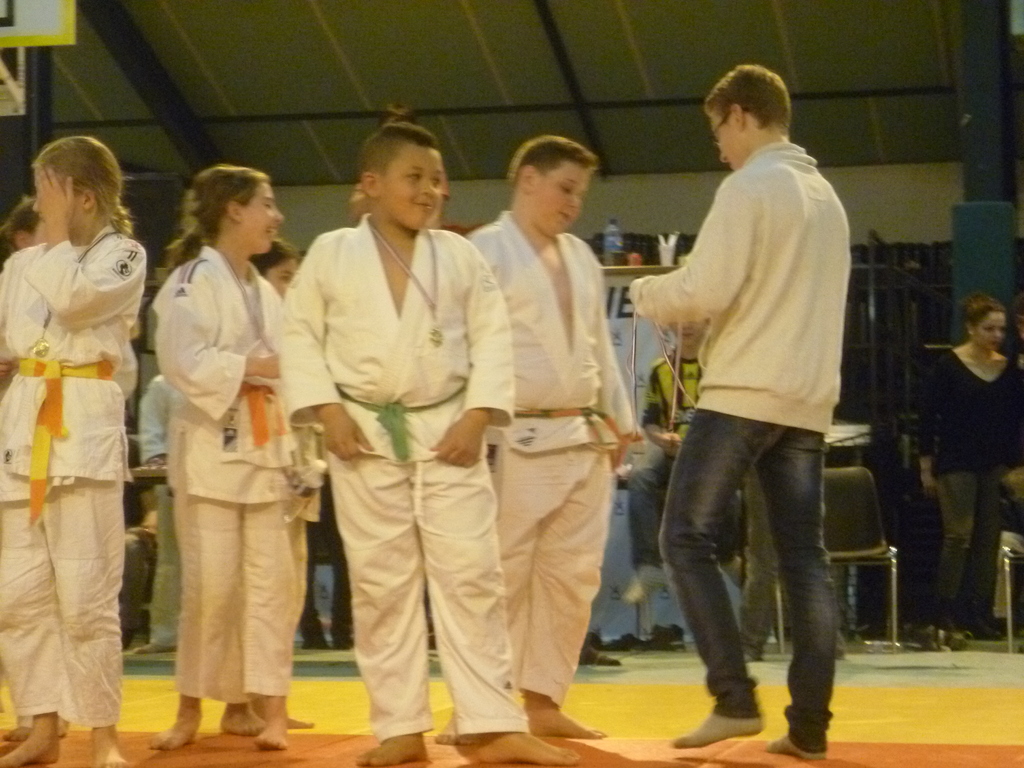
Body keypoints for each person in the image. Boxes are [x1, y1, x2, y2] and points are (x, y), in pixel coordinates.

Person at [280, 121, 578, 767]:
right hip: (363, 434)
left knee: (473, 576)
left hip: (448, 430)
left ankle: (490, 725)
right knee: (381, 584)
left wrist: (478, 416)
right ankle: (400, 726)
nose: (429, 190)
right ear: (371, 183)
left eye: (436, 179)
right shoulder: (332, 252)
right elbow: (298, 335)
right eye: (413, 177)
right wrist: (327, 411)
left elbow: (493, 337)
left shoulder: (460, 256)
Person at [629, 64, 851, 761]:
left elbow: (705, 290)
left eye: (718, 131)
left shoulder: (749, 187)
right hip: (807, 400)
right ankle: (809, 729)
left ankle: (732, 698)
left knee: (683, 538)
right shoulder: (828, 198)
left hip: (745, 392)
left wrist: (645, 291)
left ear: (740, 115)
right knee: (804, 560)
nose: (719, 147)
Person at [466, 135, 634, 740]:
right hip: (513, 434)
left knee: (572, 577)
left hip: (582, 433)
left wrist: (620, 420)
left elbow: (600, 347)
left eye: (580, 194)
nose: (573, 204)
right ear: (528, 180)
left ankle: (543, 701)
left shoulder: (581, 256)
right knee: (500, 575)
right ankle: (481, 707)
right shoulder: (483, 250)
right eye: (565, 188)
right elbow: (464, 350)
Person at [0, 136, 146, 768]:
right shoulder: (20, 267)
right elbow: (13, 339)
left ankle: (103, 736)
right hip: (20, 429)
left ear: (83, 196)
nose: (37, 204)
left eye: (47, 191)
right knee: (18, 596)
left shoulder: (124, 255)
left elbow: (76, 302)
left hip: (81, 429)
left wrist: (56, 236)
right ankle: (41, 727)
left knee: (86, 598)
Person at [151, 165, 307, 752]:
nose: (276, 216)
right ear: (234, 210)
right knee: (210, 589)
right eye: (267, 204)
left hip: (266, 449)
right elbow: (181, 361)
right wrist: (252, 367)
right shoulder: (191, 280)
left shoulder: (262, 288)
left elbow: (291, 362)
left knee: (273, 586)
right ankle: (189, 708)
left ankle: (271, 710)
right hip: (212, 452)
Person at [253, 239, 354, 651]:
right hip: (273, 450)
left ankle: (344, 627)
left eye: (296, 279)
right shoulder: (258, 330)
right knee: (292, 550)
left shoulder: (312, 329)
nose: (291, 287)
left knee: (337, 544)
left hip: (320, 452)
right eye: (284, 278)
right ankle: (306, 626)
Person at [918, 292, 1024, 642]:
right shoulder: (950, 366)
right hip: (957, 460)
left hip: (994, 462)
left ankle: (978, 612)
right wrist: (926, 465)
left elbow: (1014, 416)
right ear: (971, 328)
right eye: (989, 329)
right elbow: (928, 416)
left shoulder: (1008, 368)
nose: (996, 336)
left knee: (988, 538)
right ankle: (944, 610)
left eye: (1001, 329)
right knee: (959, 535)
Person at [624, 321, 706, 607]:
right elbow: (650, 423)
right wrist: (662, 439)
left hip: (708, 451)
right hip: (670, 449)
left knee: (729, 487)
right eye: (681, 321)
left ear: (707, 322)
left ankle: (728, 555)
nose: (687, 326)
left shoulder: (718, 369)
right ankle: (649, 567)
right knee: (640, 476)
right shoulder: (661, 369)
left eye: (694, 320)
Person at [129, 373, 186, 654]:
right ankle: (166, 633)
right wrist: (162, 468)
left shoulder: (228, 377)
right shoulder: (163, 384)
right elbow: (153, 438)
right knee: (171, 559)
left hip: (222, 478)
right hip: (173, 477)